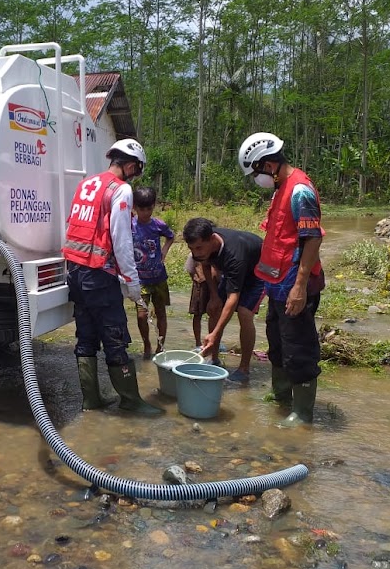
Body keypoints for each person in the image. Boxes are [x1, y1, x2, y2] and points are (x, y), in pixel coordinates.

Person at [62, 138, 164, 415]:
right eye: (137, 170)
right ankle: (131, 401)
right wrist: (132, 282)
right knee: (115, 337)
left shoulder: (87, 184)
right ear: (131, 165)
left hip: (75, 271)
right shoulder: (120, 190)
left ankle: (91, 401)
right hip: (99, 275)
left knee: (85, 338)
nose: (135, 176)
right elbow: (121, 238)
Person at [238, 132, 325, 426]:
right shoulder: (281, 188)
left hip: (295, 285)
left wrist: (299, 287)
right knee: (278, 343)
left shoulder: (300, 191)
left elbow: (311, 240)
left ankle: (301, 413)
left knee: (299, 348)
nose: (256, 178)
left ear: (269, 164)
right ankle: (281, 397)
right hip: (277, 285)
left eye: (256, 172)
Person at [182, 217, 265, 383]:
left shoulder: (234, 255)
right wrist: (213, 296)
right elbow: (205, 266)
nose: (196, 253)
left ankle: (244, 368)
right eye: (192, 249)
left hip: (258, 273)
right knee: (214, 308)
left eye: (199, 248)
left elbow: (233, 298)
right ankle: (213, 358)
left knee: (243, 313)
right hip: (234, 271)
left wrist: (215, 332)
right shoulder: (205, 247)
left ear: (212, 239)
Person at [132, 186, 175, 359]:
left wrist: (164, 251)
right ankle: (147, 344)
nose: (146, 213)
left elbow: (170, 236)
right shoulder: (130, 224)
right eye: (142, 209)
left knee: (160, 312)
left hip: (158, 277)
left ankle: (160, 346)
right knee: (142, 315)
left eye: (149, 209)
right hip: (140, 279)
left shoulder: (158, 225)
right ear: (135, 207)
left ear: (153, 206)